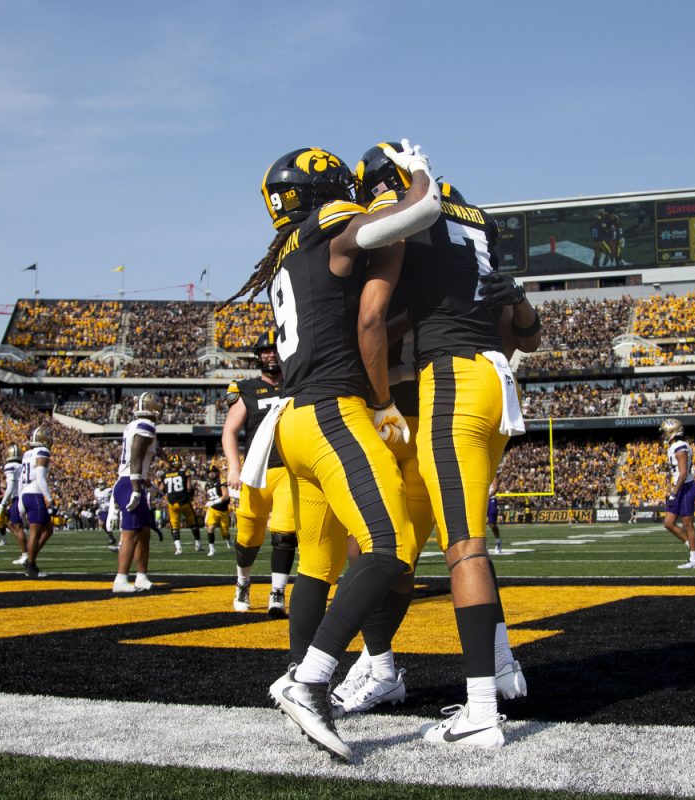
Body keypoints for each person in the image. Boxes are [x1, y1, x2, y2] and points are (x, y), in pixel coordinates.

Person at [230, 143, 440, 762]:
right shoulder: (330, 227)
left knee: (316, 567)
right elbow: (419, 209)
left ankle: (296, 671)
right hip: (331, 413)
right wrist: (419, 171)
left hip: (293, 421)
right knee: (389, 545)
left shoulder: (287, 253)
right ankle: (312, 680)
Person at [354, 150, 538, 747]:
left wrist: (379, 397)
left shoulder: (414, 210)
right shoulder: (477, 218)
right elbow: (525, 334)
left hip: (452, 382)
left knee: (461, 548)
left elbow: (375, 316)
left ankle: (481, 709)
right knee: (464, 538)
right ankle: (502, 660)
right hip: (493, 376)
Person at [222, 331, 297, 616]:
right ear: (258, 356)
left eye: (274, 349)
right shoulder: (246, 389)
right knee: (248, 537)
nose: (270, 355)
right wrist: (233, 466)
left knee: (284, 533)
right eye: (265, 351)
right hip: (256, 471)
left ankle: (277, 592)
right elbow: (229, 431)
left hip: (287, 469)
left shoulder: (295, 383)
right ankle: (243, 582)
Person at [113, 393, 161, 593]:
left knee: (144, 532)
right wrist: (135, 487)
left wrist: (147, 484)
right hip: (129, 483)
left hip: (131, 481)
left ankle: (141, 577)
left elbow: (137, 462)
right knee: (130, 533)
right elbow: (135, 456)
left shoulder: (133, 424)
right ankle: (121, 579)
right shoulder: (146, 425)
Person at [660, 418, 695, 568]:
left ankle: (694, 559)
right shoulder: (674, 446)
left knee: (687, 524)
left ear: (672, 432)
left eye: (665, 432)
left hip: (686, 487)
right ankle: (693, 546)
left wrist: (674, 492)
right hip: (680, 487)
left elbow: (683, 473)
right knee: (668, 523)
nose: (663, 435)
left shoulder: (680, 447)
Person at [18, 427, 55, 579]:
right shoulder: (42, 452)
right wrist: (49, 498)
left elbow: (21, 479)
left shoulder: (27, 454)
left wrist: (20, 500)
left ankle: (30, 559)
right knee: (36, 532)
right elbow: (40, 478)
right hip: (35, 494)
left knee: (48, 529)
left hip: (25, 493)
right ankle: (31, 566)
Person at [161, 454, 201, 555]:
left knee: (174, 526)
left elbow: (161, 489)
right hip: (184, 502)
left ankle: (178, 548)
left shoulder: (165, 474)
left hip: (172, 503)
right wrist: (191, 494)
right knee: (193, 522)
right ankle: (198, 544)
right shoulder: (184, 472)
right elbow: (188, 487)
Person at [202, 467, 230, 558]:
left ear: (217, 472)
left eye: (213, 472)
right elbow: (207, 498)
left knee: (225, 533)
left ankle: (228, 541)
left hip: (223, 510)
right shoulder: (207, 485)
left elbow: (225, 496)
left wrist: (213, 502)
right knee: (210, 528)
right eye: (209, 472)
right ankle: (212, 549)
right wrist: (207, 504)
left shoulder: (221, 481)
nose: (211, 474)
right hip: (213, 509)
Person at [94, 480, 119, 551]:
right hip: (102, 510)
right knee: (101, 524)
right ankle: (111, 536)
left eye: (102, 484)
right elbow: (98, 499)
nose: (100, 485)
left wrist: (110, 505)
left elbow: (114, 498)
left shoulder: (109, 490)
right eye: (99, 484)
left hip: (109, 510)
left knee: (108, 525)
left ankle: (113, 537)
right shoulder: (96, 491)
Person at [488, 477, 503, 555]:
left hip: (490, 499)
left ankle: (498, 541)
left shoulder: (493, 475)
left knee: (492, 524)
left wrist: (488, 496)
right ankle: (481, 546)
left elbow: (496, 488)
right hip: (480, 499)